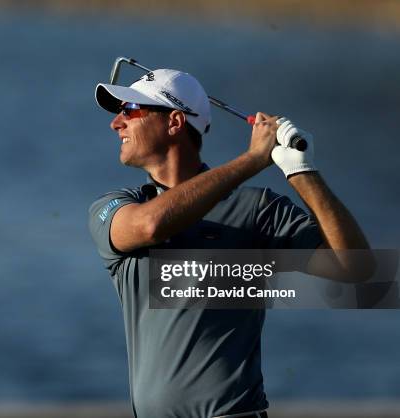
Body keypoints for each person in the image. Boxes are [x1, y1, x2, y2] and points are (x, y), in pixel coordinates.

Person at [88, 69, 372, 418]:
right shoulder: (116, 206)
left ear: (175, 122)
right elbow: (150, 226)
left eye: (130, 110)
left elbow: (357, 270)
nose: (116, 124)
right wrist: (252, 159)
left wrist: (302, 171)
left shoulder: (256, 210)